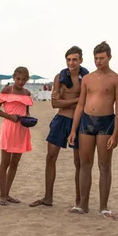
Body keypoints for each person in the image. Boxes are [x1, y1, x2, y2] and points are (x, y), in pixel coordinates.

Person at [68, 41, 118, 217]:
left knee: (104, 165)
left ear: (109, 57)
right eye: (96, 58)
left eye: (102, 58)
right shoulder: (87, 79)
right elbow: (80, 105)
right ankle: (83, 205)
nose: (98, 61)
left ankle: (103, 206)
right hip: (86, 121)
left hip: (106, 122)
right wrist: (73, 130)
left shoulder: (117, 79)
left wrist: (115, 133)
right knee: (85, 164)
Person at [30, 46, 86, 209]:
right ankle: (48, 197)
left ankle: (78, 200)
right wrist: (77, 100)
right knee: (50, 157)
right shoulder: (59, 77)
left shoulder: (86, 78)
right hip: (61, 119)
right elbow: (55, 103)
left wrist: (69, 100)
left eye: (75, 59)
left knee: (79, 162)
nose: (71, 62)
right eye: (68, 59)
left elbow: (86, 102)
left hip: (79, 120)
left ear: (81, 60)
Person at [0, 67, 33, 206]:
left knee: (15, 163)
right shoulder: (7, 90)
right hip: (9, 128)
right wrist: (9, 116)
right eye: (18, 79)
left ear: (27, 79)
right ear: (14, 78)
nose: (20, 82)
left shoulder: (27, 93)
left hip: (22, 129)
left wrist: (28, 119)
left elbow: (26, 111)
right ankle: (2, 195)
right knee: (5, 162)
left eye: (23, 79)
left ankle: (7, 193)